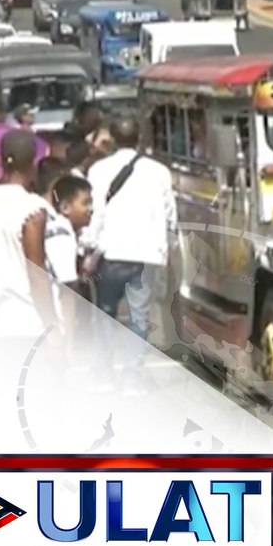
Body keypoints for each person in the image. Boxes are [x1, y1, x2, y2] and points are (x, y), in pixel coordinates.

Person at [85, 118, 176, 390]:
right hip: (146, 251)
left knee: (105, 312)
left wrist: (89, 244)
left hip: (110, 250)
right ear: (140, 138)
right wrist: (168, 246)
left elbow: (96, 211)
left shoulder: (98, 169)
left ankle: (103, 373)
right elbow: (170, 212)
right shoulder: (160, 171)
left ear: (111, 137)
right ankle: (132, 378)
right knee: (139, 316)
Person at [0, 130, 58, 347]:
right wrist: (51, 326)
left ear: (0, 160)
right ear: (34, 162)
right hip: (27, 323)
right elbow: (37, 273)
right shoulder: (33, 208)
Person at [44, 174, 93, 339]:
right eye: (85, 203)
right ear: (65, 207)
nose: (90, 209)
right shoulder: (61, 235)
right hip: (56, 324)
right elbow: (67, 290)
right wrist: (68, 340)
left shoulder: (62, 230)